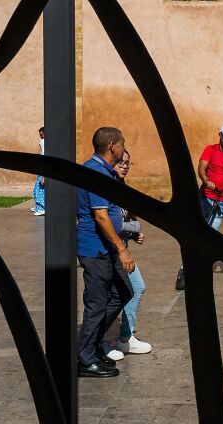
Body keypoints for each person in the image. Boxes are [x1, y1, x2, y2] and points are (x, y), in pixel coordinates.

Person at [76, 127, 134, 378]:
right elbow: (100, 216)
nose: (123, 150)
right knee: (96, 304)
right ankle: (85, 359)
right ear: (112, 146)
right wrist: (122, 249)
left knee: (124, 291)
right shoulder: (95, 172)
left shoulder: (104, 172)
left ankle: (93, 345)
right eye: (122, 145)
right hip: (96, 248)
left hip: (106, 248)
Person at [175, 123, 223, 290]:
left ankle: (198, 268)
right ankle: (184, 269)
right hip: (205, 198)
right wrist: (206, 181)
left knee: (210, 235)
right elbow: (201, 168)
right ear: (219, 134)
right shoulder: (210, 150)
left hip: (221, 201)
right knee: (197, 232)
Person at [110, 150, 152, 357]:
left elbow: (122, 220)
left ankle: (125, 338)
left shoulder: (121, 186)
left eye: (128, 163)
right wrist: (132, 229)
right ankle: (99, 345)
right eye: (120, 162)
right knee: (109, 298)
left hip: (122, 249)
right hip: (111, 251)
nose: (125, 166)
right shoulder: (106, 187)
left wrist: (133, 234)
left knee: (135, 288)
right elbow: (108, 222)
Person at [32, 127, 46, 216]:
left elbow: (45, 158)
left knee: (38, 189)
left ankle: (41, 208)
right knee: (40, 189)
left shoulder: (43, 142)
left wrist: (44, 176)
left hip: (43, 170)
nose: (41, 137)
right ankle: (38, 206)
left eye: (42, 135)